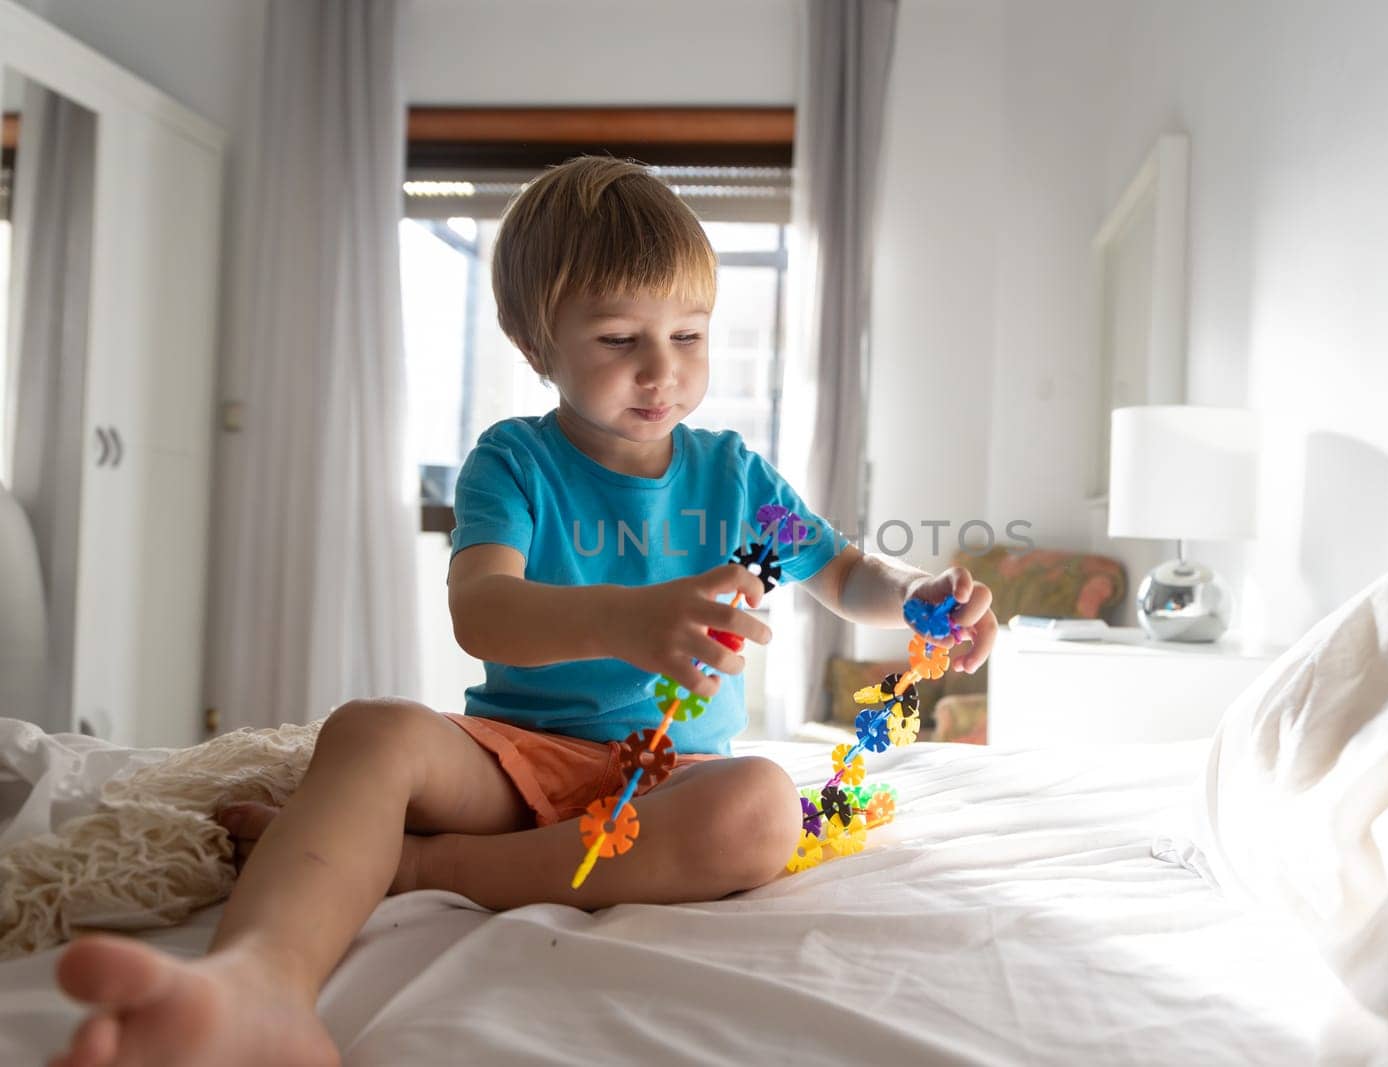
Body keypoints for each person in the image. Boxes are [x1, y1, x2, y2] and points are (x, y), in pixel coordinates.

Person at [47, 156, 998, 1067]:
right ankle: (258, 982)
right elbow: (485, 611)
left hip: (671, 782)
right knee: (373, 730)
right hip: (517, 758)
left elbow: (846, 572)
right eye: (621, 339)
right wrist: (626, 620)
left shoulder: (735, 476)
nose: (662, 370)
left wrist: (916, 593)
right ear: (537, 344)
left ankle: (424, 869)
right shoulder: (515, 460)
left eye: (691, 335)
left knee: (758, 810)